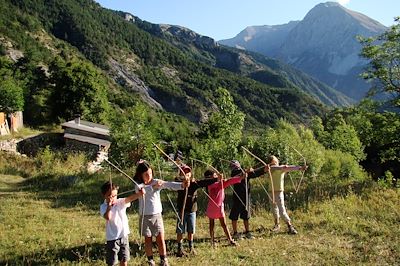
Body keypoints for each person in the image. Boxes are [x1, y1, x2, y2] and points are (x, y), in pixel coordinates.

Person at [134, 161, 189, 266]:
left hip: (156, 215)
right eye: (146, 174)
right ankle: (150, 260)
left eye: (150, 174)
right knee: (148, 239)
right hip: (144, 215)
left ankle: (164, 259)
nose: (149, 176)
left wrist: (182, 185)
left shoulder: (156, 181)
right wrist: (153, 187)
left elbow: (169, 184)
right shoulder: (138, 184)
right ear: (140, 175)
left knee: (160, 238)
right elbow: (141, 191)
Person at [174, 164, 219, 257]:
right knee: (180, 230)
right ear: (180, 174)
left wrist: (216, 179)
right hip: (182, 211)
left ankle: (191, 248)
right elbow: (176, 182)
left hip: (192, 210)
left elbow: (204, 182)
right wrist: (184, 181)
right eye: (184, 172)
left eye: (188, 172)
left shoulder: (194, 183)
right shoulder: (178, 182)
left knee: (191, 230)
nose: (186, 174)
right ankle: (179, 249)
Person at [100, 181, 145, 266]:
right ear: (104, 195)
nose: (113, 198)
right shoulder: (103, 207)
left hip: (123, 235)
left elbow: (129, 199)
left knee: (124, 259)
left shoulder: (120, 202)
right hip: (112, 238)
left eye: (115, 195)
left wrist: (139, 194)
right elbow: (107, 217)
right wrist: (109, 206)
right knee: (112, 261)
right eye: (110, 195)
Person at [204, 169, 247, 247]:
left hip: (219, 206)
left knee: (224, 224)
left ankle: (230, 240)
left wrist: (241, 177)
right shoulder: (210, 185)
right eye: (215, 175)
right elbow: (218, 184)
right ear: (210, 177)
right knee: (212, 224)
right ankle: (212, 241)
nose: (216, 175)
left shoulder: (220, 183)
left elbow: (230, 181)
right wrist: (220, 180)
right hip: (213, 207)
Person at [228, 160, 269, 240]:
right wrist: (246, 171)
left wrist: (264, 170)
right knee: (234, 215)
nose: (235, 167)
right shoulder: (234, 173)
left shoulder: (245, 172)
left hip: (245, 197)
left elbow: (254, 174)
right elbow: (238, 175)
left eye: (236, 165)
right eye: (234, 166)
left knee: (246, 215)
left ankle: (247, 232)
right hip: (237, 197)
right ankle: (235, 233)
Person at [268, 155, 307, 234]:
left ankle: (290, 226)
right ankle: (277, 225)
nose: (276, 163)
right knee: (274, 209)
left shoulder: (281, 169)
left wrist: (300, 168)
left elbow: (289, 167)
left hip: (279, 191)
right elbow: (274, 168)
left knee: (282, 210)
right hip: (271, 191)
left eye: (276, 161)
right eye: (274, 162)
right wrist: (281, 167)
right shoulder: (269, 169)